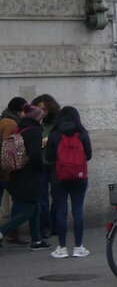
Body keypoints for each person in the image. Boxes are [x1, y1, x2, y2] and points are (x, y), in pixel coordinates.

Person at [44, 105, 92, 258]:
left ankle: (62, 247)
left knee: (61, 212)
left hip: (58, 178)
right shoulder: (82, 133)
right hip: (79, 178)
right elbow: (89, 155)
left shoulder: (54, 134)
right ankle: (78, 247)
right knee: (77, 211)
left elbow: (49, 157)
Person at [0, 104, 49, 249]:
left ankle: (37, 241)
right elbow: (34, 155)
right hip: (29, 175)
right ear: (37, 118)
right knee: (28, 209)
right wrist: (40, 167)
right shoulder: (34, 131)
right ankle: (2, 231)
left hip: (17, 173)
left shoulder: (20, 129)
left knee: (34, 207)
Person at [30, 93, 60, 241]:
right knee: (41, 197)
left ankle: (56, 225)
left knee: (57, 196)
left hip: (54, 164)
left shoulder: (55, 125)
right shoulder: (35, 124)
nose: (42, 112)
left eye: (45, 109)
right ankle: (45, 227)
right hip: (40, 164)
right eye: (39, 108)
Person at [1, 96, 29, 245]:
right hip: (6, 172)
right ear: (20, 110)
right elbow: (8, 148)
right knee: (19, 200)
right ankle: (12, 231)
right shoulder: (11, 123)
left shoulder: (5, 119)